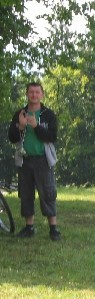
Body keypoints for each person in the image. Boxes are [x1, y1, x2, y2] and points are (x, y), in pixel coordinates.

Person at [7, 81, 61, 241]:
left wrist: (36, 126)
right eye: (31, 92)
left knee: (48, 193)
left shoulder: (48, 114)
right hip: (25, 160)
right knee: (26, 194)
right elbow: (12, 137)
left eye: (37, 92)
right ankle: (29, 227)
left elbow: (52, 137)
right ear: (27, 94)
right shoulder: (20, 113)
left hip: (43, 160)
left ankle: (53, 228)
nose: (34, 95)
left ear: (42, 94)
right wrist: (21, 127)